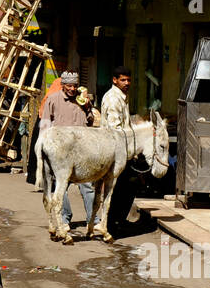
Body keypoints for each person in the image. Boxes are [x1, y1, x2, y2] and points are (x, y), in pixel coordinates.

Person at [37, 70, 97, 231]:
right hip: (60, 154)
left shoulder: (82, 99)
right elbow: (44, 125)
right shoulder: (53, 99)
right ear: (63, 85)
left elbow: (90, 122)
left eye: (75, 85)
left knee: (88, 186)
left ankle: (94, 219)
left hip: (82, 152)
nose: (72, 89)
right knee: (60, 188)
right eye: (69, 85)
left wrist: (87, 107)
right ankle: (64, 218)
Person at [100, 66, 137, 232]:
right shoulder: (113, 99)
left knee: (126, 187)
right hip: (115, 151)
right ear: (115, 80)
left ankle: (117, 221)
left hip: (122, 150)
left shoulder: (122, 97)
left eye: (129, 80)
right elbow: (116, 129)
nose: (127, 83)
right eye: (123, 80)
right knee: (120, 188)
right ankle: (112, 222)